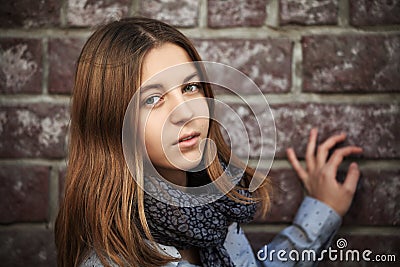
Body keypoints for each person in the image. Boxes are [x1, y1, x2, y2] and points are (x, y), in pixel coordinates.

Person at [55, 17, 363, 267]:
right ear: (110, 124)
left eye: (190, 87)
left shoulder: (212, 208)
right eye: (152, 98)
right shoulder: (114, 260)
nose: (186, 113)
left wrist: (320, 211)